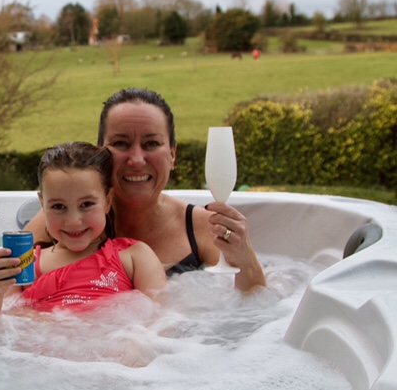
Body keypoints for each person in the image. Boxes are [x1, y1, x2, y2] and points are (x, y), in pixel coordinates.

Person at [24, 88, 266, 292]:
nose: (137, 160)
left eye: (151, 143)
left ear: (172, 154)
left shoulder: (202, 228)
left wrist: (245, 258)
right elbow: (12, 293)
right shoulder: (62, 220)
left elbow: (254, 307)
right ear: (100, 153)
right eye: (121, 143)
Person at [0, 141, 167, 323]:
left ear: (107, 200)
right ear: (42, 203)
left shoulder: (134, 257)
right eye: (58, 207)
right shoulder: (28, 264)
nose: (73, 221)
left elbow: (162, 324)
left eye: (86, 204)